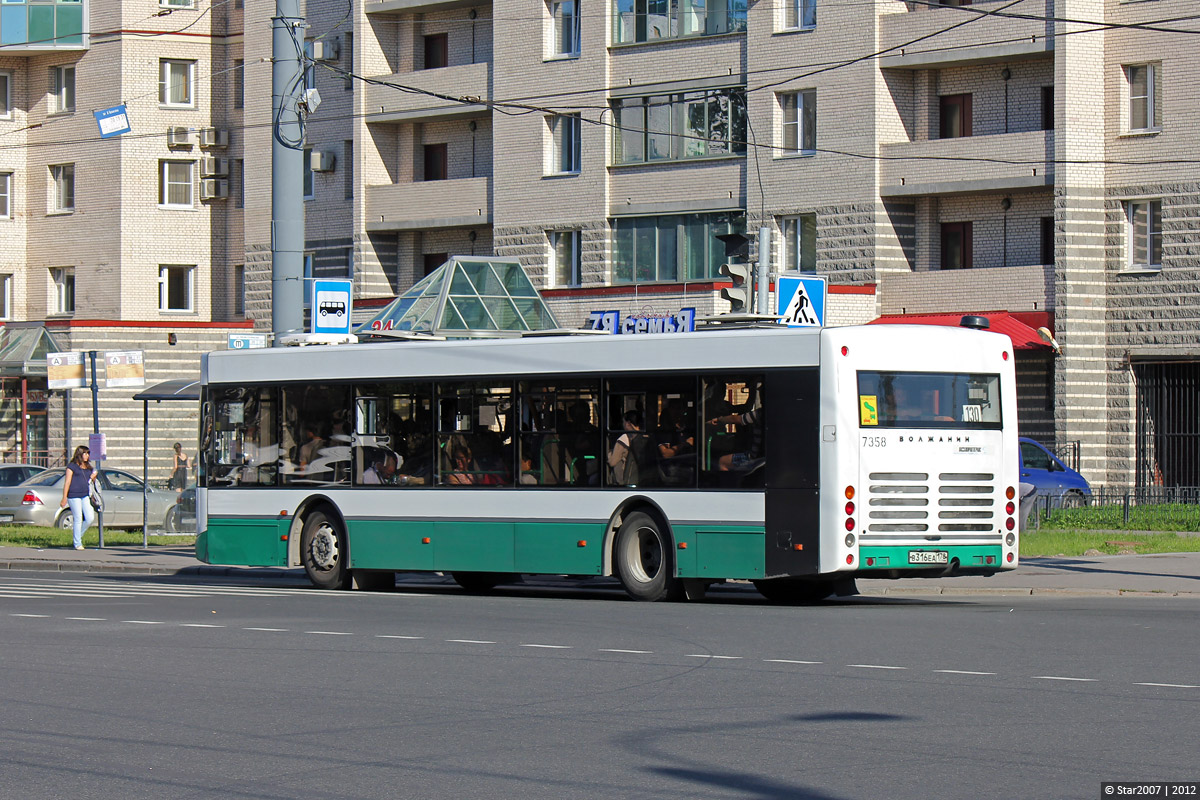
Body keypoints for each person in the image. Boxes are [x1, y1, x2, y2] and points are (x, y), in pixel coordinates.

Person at [59, 445, 98, 551]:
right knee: (78, 518)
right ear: (79, 454)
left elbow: (91, 482)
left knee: (90, 518)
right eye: (85, 453)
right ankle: (77, 543)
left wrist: (94, 477)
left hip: (85, 495)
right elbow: (67, 482)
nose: (87, 455)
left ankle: (77, 536)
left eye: (88, 453)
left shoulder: (88, 467)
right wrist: (64, 497)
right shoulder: (72, 466)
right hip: (73, 495)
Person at [709, 405, 765, 472]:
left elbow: (736, 419)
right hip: (762, 458)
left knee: (723, 461)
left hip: (754, 459)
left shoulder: (761, 413)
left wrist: (719, 420)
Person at [608, 410, 648, 486]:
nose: (623, 424)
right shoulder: (645, 436)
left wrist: (610, 454)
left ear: (628, 423)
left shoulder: (623, 439)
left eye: (623, 422)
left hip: (626, 480)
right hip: (642, 477)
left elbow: (612, 462)